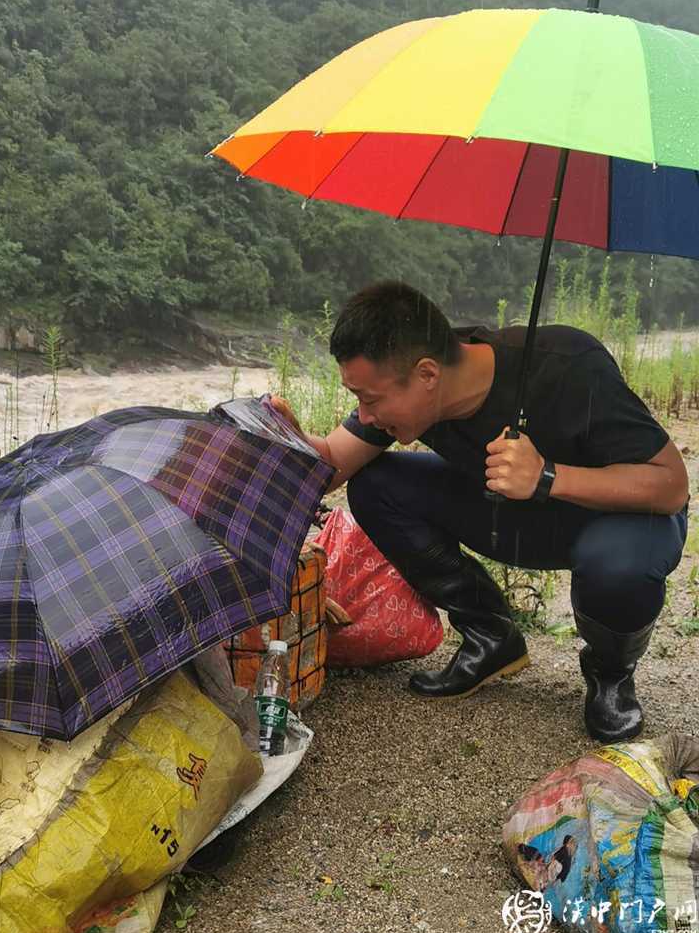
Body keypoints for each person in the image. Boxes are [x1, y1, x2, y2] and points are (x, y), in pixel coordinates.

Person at [273, 280, 689, 743]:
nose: (364, 415)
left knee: (617, 564)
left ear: (427, 375)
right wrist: (288, 441)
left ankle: (610, 673)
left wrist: (548, 476)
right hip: (518, 515)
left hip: (622, 519)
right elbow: (333, 462)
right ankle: (491, 636)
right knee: (375, 484)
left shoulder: (570, 365)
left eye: (369, 399)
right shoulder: (415, 377)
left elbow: (671, 485)